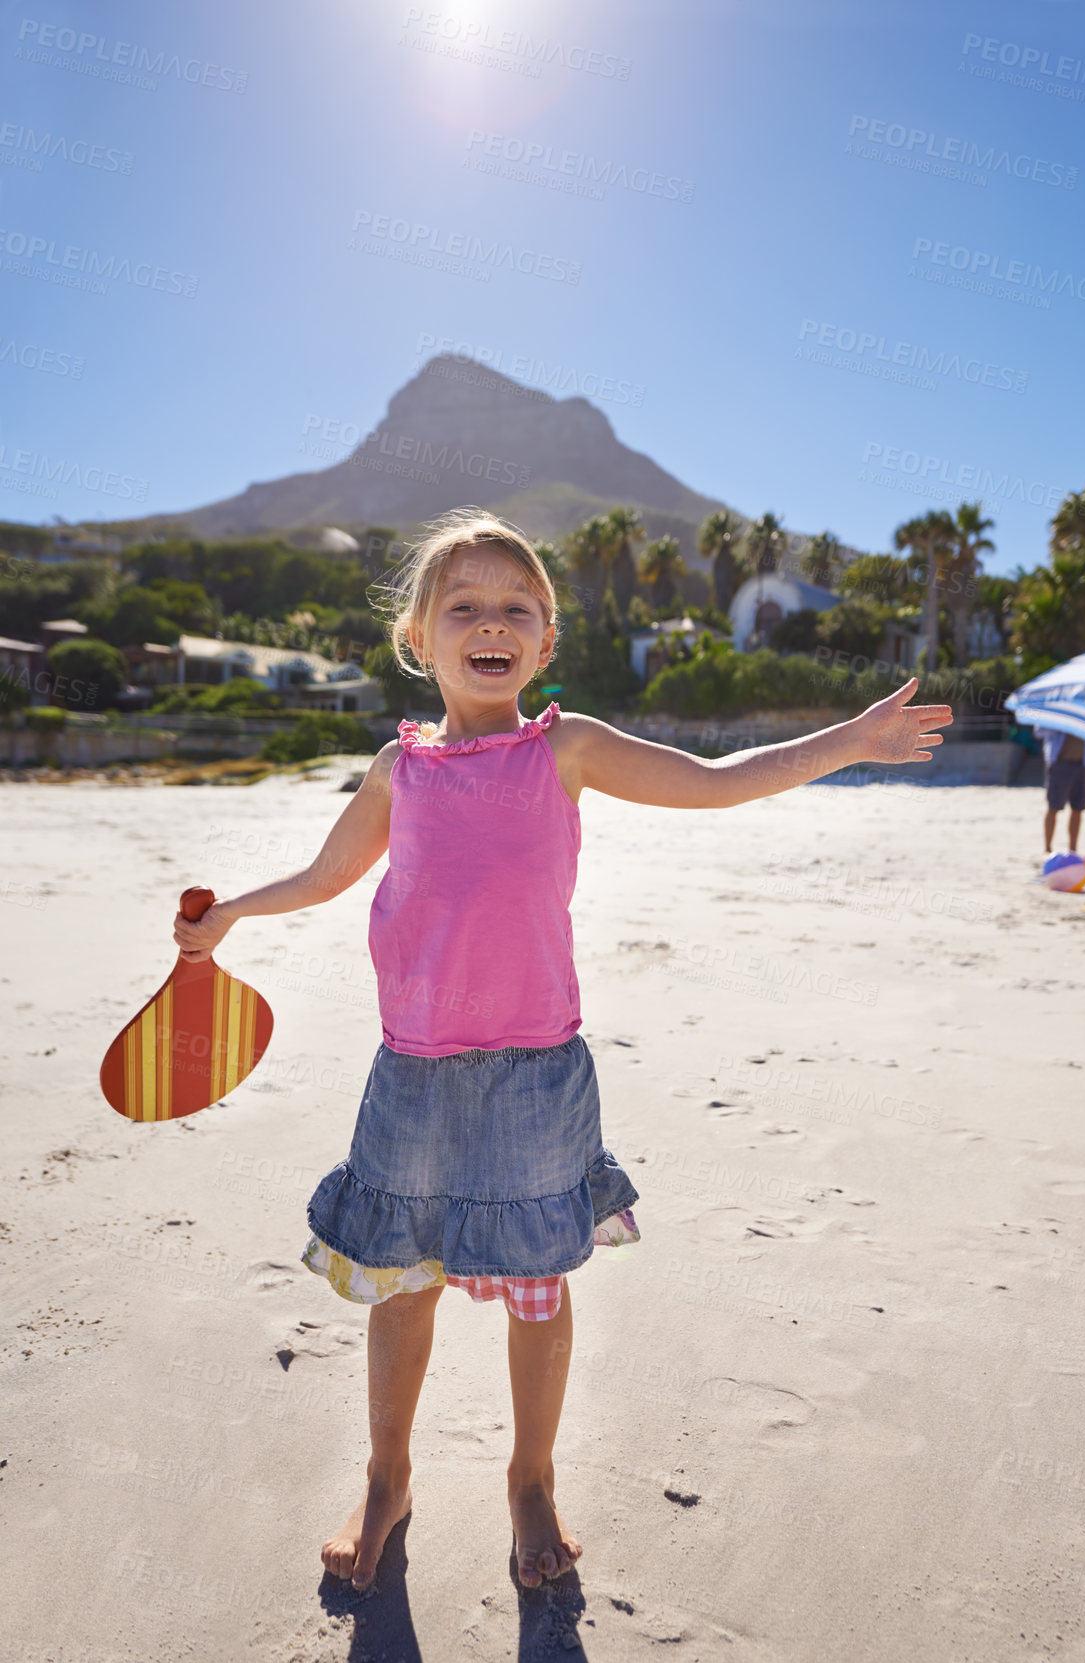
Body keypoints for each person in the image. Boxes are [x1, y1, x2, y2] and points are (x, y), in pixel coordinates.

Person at [172, 509, 952, 1594]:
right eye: (465, 608)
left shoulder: (566, 749)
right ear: (418, 638)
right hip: (414, 1075)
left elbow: (718, 779)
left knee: (539, 1285)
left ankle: (530, 1479)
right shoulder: (399, 774)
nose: (492, 623)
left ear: (544, 645)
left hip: (539, 1073)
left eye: (517, 610)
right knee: (404, 1286)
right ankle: (387, 1476)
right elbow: (323, 876)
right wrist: (232, 920)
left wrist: (849, 743)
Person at [1037, 726, 1085, 853]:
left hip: (1083, 764)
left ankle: (1073, 850)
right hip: (1059, 763)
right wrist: (1063, 724)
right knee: (1053, 807)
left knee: (1078, 808)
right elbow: (1039, 731)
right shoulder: (1057, 712)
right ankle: (1047, 849)